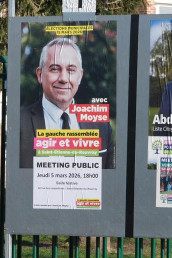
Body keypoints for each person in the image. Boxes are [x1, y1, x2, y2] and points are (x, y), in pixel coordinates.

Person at [19, 37, 115, 169]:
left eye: (70, 70)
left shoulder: (101, 126)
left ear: (80, 76)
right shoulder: (19, 122)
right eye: (55, 69)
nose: (64, 78)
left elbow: (109, 182)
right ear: (40, 75)